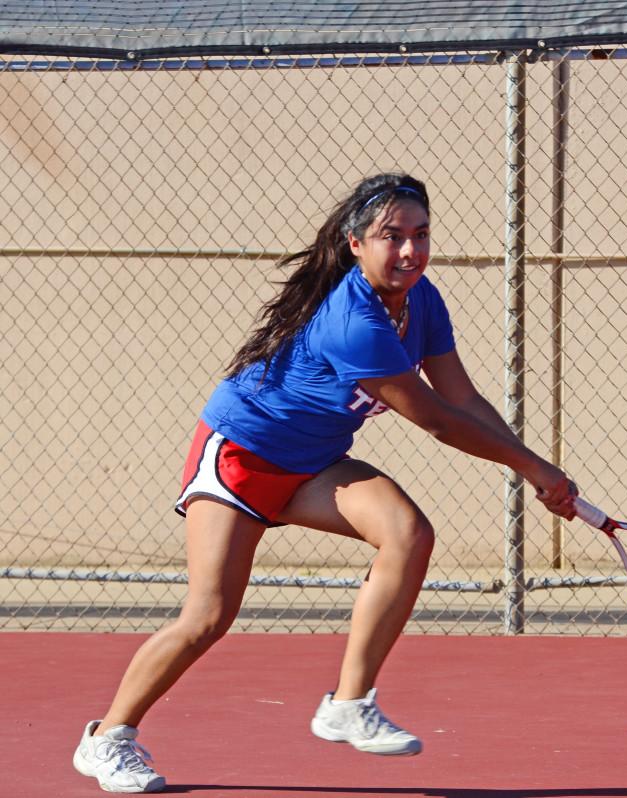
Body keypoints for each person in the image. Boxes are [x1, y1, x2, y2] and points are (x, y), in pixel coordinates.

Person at [72, 172, 577, 793]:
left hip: (314, 464)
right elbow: (440, 421)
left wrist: (536, 466)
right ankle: (108, 739)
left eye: (421, 235)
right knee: (207, 616)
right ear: (356, 242)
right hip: (242, 457)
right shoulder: (352, 321)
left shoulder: (423, 301)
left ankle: (348, 703)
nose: (410, 251)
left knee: (408, 533)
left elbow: (463, 396)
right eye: (392, 236)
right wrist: (535, 469)